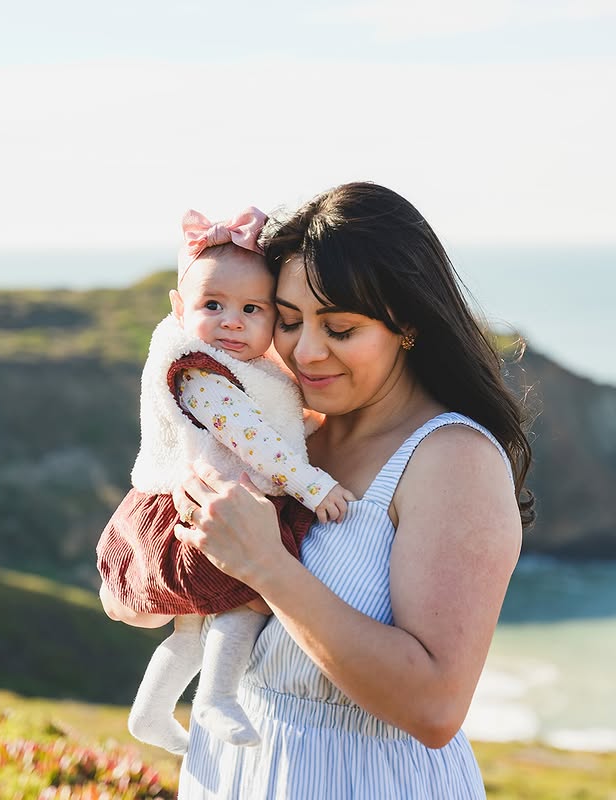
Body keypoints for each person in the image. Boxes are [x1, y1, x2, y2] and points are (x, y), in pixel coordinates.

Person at [102, 182, 534, 799]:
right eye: (287, 319)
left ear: (405, 323)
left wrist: (267, 567)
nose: (305, 352)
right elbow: (146, 595)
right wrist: (155, 579)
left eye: (340, 328)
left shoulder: (451, 460)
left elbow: (435, 709)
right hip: (230, 774)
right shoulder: (285, 436)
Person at [97, 206, 354, 755]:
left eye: (251, 309)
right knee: (248, 600)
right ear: (178, 309)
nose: (232, 321)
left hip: (200, 505)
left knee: (189, 630)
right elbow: (250, 437)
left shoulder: (242, 366)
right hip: (204, 509)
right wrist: (312, 485)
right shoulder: (197, 368)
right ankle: (215, 698)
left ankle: (150, 713)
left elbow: (272, 418)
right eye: (212, 305)